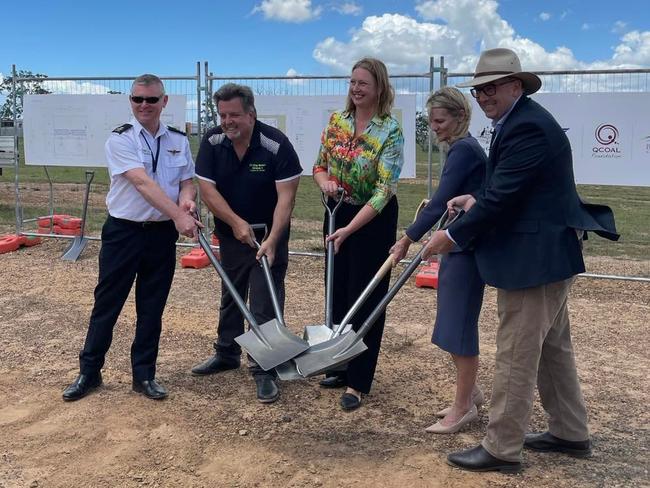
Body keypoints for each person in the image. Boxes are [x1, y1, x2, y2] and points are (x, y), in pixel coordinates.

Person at [421, 48, 619, 472]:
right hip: (545, 257)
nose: (484, 96)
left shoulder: (526, 126)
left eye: (492, 87)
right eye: (479, 90)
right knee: (552, 349)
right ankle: (570, 431)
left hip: (535, 261)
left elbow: (504, 200)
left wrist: (452, 234)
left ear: (516, 85)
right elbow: (511, 188)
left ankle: (501, 447)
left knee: (516, 353)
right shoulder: (515, 122)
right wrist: (475, 198)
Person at [62, 74, 199, 401]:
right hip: (124, 233)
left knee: (152, 307)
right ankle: (89, 373)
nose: (144, 105)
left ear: (164, 102)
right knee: (107, 304)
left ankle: (144, 376)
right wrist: (180, 215)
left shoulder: (178, 139)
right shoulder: (120, 139)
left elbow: (187, 180)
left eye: (151, 100)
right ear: (131, 101)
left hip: (160, 235)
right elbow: (142, 183)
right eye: (138, 99)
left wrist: (187, 200)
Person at [191, 83, 302, 404]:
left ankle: (265, 368)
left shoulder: (275, 144)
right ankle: (226, 353)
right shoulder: (213, 142)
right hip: (233, 234)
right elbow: (207, 190)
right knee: (232, 293)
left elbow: (287, 199)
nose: (228, 121)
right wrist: (236, 223)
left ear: (251, 114)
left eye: (235, 115)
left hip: (269, 233)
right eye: (223, 115)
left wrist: (272, 240)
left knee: (264, 299)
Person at [390, 87, 486, 434]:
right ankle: (469, 393)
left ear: (460, 118)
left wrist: (406, 239)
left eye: (440, 120)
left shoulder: (463, 149)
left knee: (457, 326)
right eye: (431, 121)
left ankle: (462, 409)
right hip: (458, 247)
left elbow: (439, 201)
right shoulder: (464, 148)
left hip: (466, 248)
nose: (434, 127)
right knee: (450, 323)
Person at [313, 57, 404, 411]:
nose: (356, 88)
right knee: (336, 292)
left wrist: (350, 229)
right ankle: (339, 362)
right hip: (337, 211)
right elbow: (319, 166)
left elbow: (385, 190)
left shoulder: (389, 130)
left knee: (365, 297)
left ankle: (359, 380)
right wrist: (327, 183)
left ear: (379, 87)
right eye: (352, 82)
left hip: (371, 220)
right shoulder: (338, 121)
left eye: (363, 83)